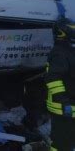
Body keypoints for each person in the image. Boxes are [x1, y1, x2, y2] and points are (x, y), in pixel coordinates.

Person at [45, 20, 75, 151]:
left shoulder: (69, 50)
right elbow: (53, 78)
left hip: (70, 106)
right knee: (62, 144)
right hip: (63, 107)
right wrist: (63, 101)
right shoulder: (60, 52)